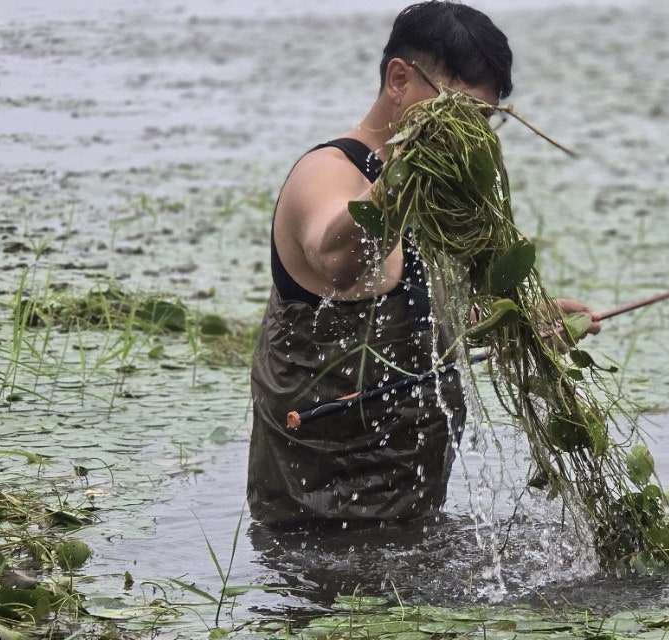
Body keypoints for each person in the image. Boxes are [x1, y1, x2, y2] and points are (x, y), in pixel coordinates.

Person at [247, 1, 599, 526]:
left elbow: (423, 321)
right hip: (314, 513)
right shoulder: (327, 173)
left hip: (412, 505)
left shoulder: (440, 195)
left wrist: (521, 325)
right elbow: (338, 260)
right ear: (398, 79)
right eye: (458, 118)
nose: (472, 139)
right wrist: (405, 169)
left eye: (483, 123)